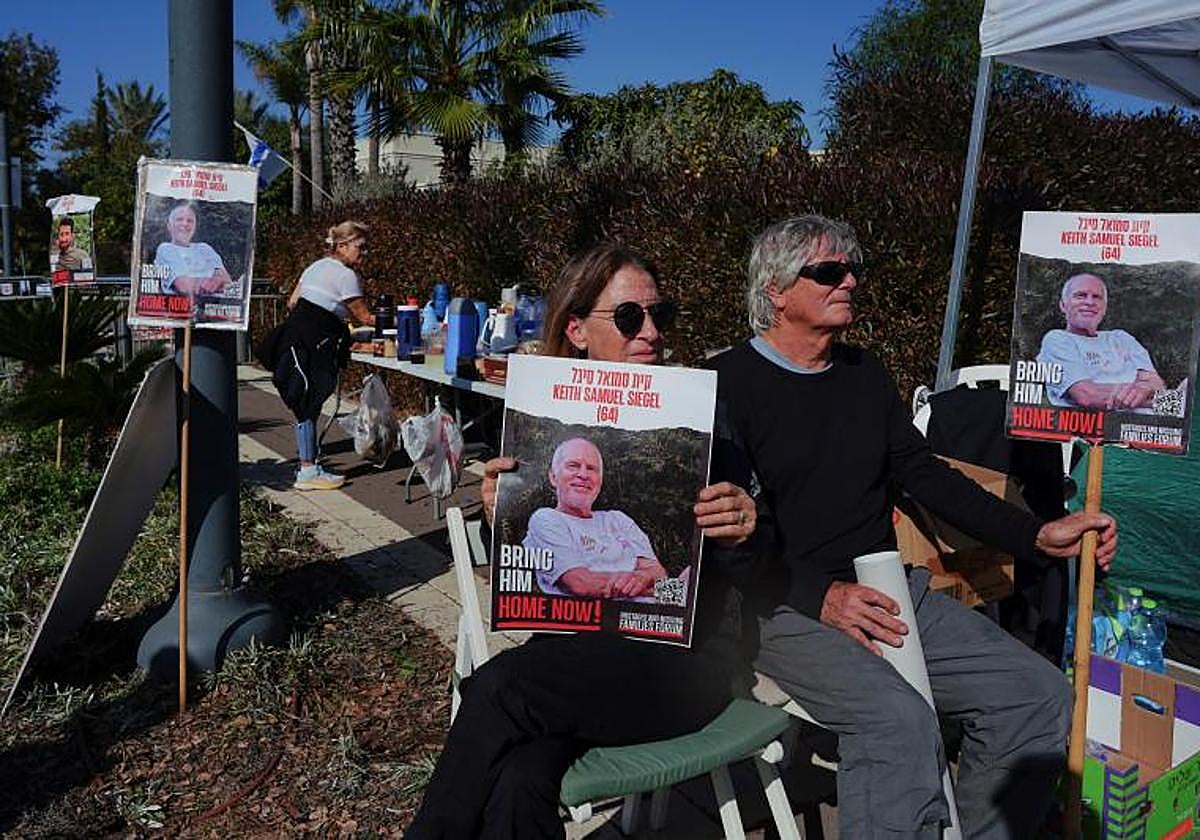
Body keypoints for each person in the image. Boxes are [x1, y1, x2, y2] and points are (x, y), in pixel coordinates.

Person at [710, 215, 1119, 839]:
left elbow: (925, 475)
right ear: (776, 290)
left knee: (1037, 694)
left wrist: (1036, 535)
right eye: (829, 271)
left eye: (852, 269)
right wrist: (823, 597)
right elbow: (728, 545)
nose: (849, 281)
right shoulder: (725, 386)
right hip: (782, 605)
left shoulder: (862, 374)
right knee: (897, 722)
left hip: (889, 590)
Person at [405, 242, 760, 840]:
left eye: (659, 315)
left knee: (498, 689)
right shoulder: (546, 473)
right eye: (628, 317)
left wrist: (744, 529)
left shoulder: (706, 417)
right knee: (519, 778)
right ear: (576, 331)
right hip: (576, 663)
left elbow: (696, 572)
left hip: (684, 664)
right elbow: (571, 581)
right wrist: (499, 516)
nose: (651, 332)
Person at [257, 221, 375, 491]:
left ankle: (308, 465)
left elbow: (293, 301)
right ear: (342, 246)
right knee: (309, 402)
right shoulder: (346, 275)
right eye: (360, 246)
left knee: (304, 402)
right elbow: (364, 316)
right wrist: (400, 322)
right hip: (315, 344)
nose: (364, 252)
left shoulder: (316, 266)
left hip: (293, 338)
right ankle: (308, 470)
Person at [524, 436, 668, 599]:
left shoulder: (619, 520)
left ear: (600, 480)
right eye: (573, 466)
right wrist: (660, 590)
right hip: (602, 614)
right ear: (553, 477)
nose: (583, 474)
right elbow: (582, 585)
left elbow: (657, 572)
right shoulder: (546, 519)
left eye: (592, 468)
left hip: (659, 610)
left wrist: (643, 577)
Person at [1036, 272, 1166, 412]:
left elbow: (1156, 383)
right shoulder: (1057, 340)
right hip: (1106, 425)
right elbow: (1086, 396)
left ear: (1104, 307)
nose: (1090, 302)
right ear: (1063, 305)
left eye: (1097, 297)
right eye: (1081, 296)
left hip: (1156, 422)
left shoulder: (1122, 338)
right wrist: (1155, 399)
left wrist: (1148, 390)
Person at [154, 201, 232, 296]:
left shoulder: (205, 248)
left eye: (190, 221)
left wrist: (211, 282)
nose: (185, 224)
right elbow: (184, 286)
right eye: (179, 219)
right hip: (185, 304)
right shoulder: (166, 249)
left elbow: (227, 281)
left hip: (219, 303)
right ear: (169, 226)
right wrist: (216, 282)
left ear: (194, 227)